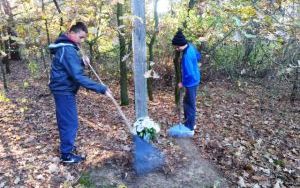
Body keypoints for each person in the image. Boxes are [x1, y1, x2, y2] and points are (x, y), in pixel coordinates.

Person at [49, 22, 112, 163]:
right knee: (70, 123)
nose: (81, 41)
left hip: (64, 89)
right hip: (63, 90)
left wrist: (81, 63)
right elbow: (77, 76)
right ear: (71, 33)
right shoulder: (67, 49)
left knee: (68, 121)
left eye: (83, 38)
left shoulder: (67, 48)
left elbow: (68, 67)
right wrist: (102, 88)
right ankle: (66, 155)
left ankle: (68, 148)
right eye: (80, 37)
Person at [168, 30, 201, 137]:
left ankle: (189, 128)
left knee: (188, 104)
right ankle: (191, 123)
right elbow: (198, 56)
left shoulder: (185, 57)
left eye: (177, 47)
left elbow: (189, 74)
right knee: (191, 103)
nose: (176, 49)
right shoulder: (191, 46)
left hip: (191, 82)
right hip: (196, 79)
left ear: (181, 45)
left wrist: (183, 83)